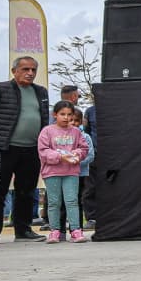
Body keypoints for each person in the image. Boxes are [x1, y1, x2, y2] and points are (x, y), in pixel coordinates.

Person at [0, 56, 50, 243]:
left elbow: (44, 120)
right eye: (25, 69)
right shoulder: (1, 89)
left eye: (33, 70)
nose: (30, 73)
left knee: (26, 191)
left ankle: (23, 230)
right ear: (14, 71)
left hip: (31, 149)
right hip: (3, 148)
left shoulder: (41, 92)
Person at [37, 101, 88, 243]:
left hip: (71, 172)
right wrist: (60, 156)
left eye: (69, 114)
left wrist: (76, 154)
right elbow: (43, 151)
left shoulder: (76, 132)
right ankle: (55, 231)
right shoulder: (47, 131)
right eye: (62, 114)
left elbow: (84, 148)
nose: (66, 117)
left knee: (72, 201)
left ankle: (76, 230)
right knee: (54, 202)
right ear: (55, 115)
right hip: (52, 172)